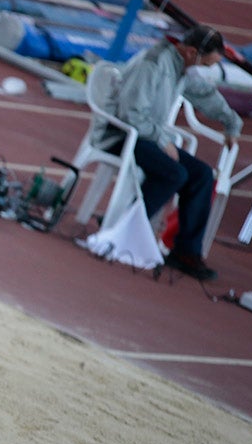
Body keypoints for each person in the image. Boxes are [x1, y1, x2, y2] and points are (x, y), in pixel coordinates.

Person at [99, 25, 242, 281]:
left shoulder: (182, 67)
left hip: (148, 136)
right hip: (121, 134)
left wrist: (231, 122)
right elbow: (129, 114)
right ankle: (124, 230)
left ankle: (186, 252)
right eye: (206, 64)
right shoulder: (153, 64)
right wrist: (162, 140)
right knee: (173, 174)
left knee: (201, 175)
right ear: (190, 52)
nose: (205, 70)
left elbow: (205, 95)